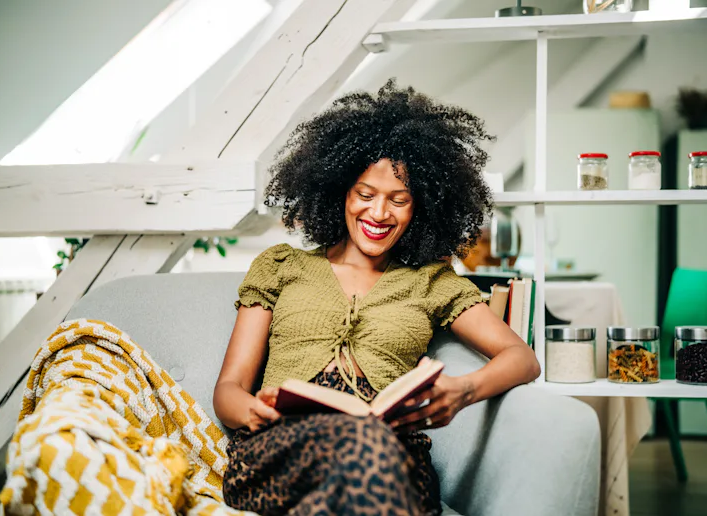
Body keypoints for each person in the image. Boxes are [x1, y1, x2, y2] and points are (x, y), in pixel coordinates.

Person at [214, 80, 540, 516]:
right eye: (365, 195)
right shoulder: (281, 266)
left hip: (390, 453)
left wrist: (463, 391)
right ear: (339, 193)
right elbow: (228, 389)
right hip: (281, 449)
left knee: (369, 445)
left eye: (399, 200)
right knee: (358, 449)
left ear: (419, 208)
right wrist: (255, 412)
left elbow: (522, 358)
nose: (379, 214)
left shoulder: (430, 281)